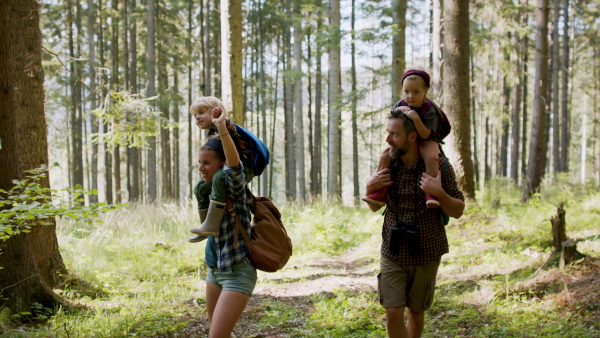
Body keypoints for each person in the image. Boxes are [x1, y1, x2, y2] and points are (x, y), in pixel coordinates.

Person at [364, 109, 464, 338]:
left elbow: (458, 210)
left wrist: (439, 193)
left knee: (416, 313)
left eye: (394, 134)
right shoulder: (389, 164)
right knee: (392, 310)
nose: (388, 139)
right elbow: (373, 206)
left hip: (427, 250)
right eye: (387, 132)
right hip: (393, 250)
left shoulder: (439, 166)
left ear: (412, 136)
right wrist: (370, 187)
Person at [198, 107, 257, 337]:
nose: (201, 168)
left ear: (221, 164)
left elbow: (234, 167)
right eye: (200, 162)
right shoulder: (211, 189)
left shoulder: (235, 187)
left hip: (237, 272)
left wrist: (221, 127)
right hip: (214, 270)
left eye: (207, 163)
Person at [363, 69, 448, 209]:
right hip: (405, 139)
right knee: (385, 156)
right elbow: (393, 123)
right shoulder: (400, 104)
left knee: (432, 158)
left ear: (426, 91)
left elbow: (426, 134)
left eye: (416, 92)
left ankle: (431, 192)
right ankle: (380, 191)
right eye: (406, 91)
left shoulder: (429, 109)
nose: (410, 96)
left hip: (427, 139)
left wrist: (415, 117)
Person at [188, 96, 259, 243]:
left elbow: (234, 160)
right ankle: (206, 226)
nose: (198, 117)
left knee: (219, 176)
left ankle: (211, 224)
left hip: (243, 168)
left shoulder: (225, 128)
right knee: (201, 186)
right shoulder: (212, 134)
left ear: (215, 112)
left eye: (201, 112)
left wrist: (221, 124)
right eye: (195, 115)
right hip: (226, 167)